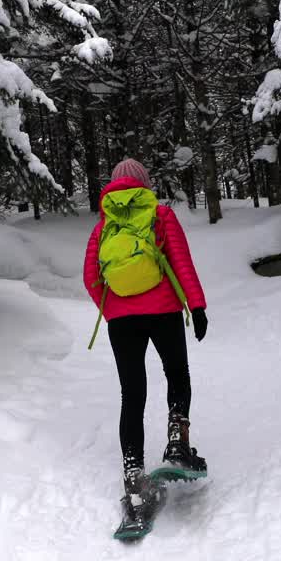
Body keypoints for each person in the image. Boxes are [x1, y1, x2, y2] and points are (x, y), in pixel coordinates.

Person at [83, 158, 209, 528]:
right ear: (144, 183)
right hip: (164, 311)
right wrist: (196, 306)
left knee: (132, 394)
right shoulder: (159, 215)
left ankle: (134, 477)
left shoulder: (104, 225)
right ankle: (176, 442)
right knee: (177, 373)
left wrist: (113, 312)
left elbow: (91, 276)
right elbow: (182, 263)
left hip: (121, 320)